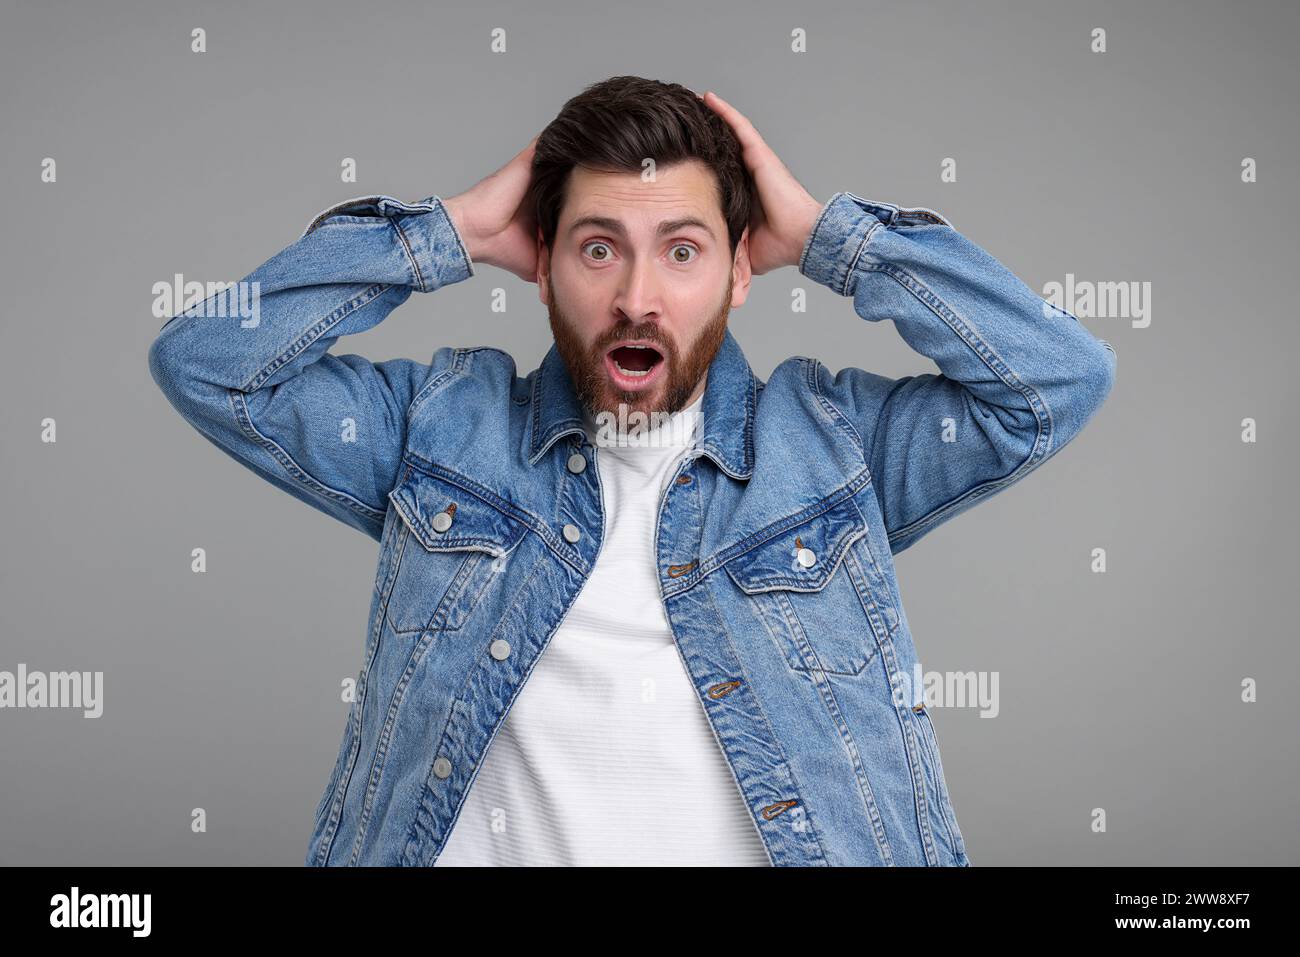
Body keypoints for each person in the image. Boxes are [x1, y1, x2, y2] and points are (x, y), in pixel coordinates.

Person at [147, 75, 1115, 867]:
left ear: (741, 271)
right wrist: (451, 231)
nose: (637, 298)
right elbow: (208, 361)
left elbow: (1056, 377)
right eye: (597, 248)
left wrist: (830, 238)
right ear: (543, 264)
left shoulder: (831, 447)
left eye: (683, 251)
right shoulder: (440, 430)